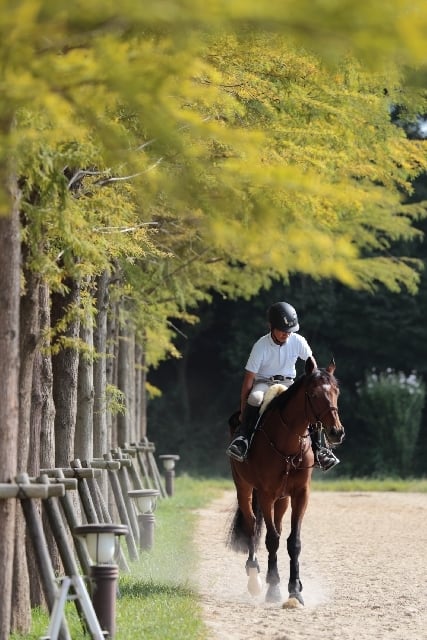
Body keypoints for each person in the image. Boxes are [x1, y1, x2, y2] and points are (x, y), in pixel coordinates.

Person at [226, 301, 339, 470]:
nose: (286, 334)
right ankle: (243, 439)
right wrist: (243, 409)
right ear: (271, 326)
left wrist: (315, 383)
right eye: (282, 330)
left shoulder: (298, 340)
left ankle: (320, 449)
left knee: (309, 402)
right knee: (256, 398)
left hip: (288, 382)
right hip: (264, 383)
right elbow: (249, 379)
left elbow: (311, 364)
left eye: (289, 331)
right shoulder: (260, 346)